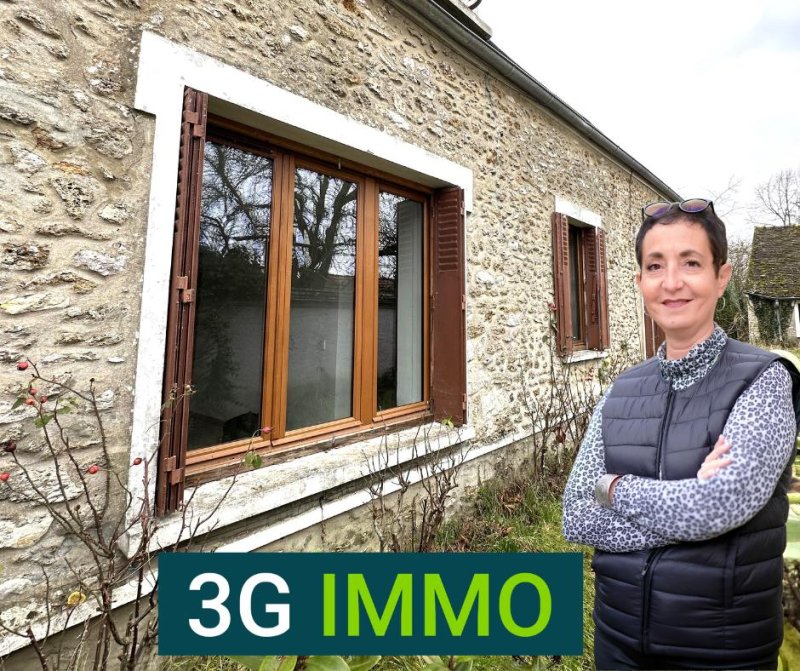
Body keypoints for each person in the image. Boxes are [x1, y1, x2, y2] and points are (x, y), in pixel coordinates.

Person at [562, 198, 800, 670]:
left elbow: (715, 506)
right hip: (618, 641)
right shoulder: (621, 391)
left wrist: (613, 487)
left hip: (721, 650)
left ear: (721, 277)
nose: (671, 282)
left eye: (690, 263)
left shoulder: (764, 380)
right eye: (655, 266)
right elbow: (576, 516)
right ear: (640, 282)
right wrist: (691, 514)